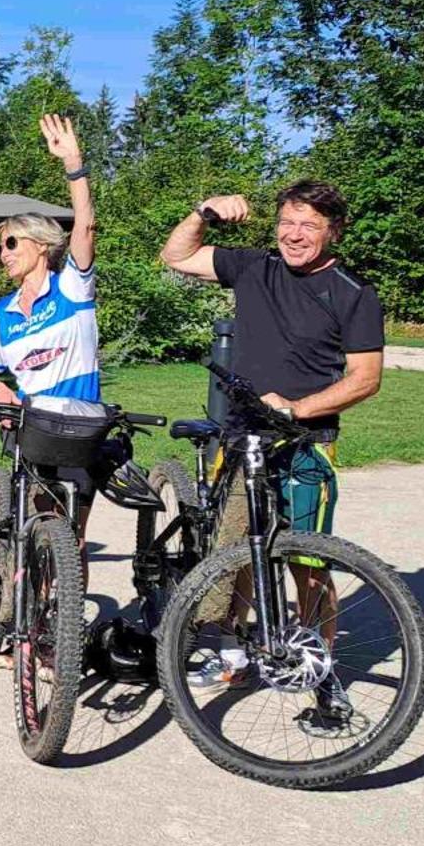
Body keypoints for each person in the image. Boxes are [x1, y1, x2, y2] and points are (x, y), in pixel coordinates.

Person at [159, 177, 383, 720]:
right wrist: (203, 209)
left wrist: (297, 409)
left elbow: (366, 377)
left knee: (309, 562)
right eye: (287, 222)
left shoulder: (353, 292)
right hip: (241, 436)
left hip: (306, 442)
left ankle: (321, 673)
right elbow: (176, 256)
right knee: (233, 545)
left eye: (309, 225)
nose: (295, 234)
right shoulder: (254, 266)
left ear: (333, 231)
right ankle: (234, 652)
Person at [0, 115, 110, 585]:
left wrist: (74, 164)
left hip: (77, 427)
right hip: (31, 426)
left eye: (11, 242)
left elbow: (86, 227)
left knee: (72, 537)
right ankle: (22, 618)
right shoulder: (1, 312)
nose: (3, 253)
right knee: (32, 523)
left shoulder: (71, 289)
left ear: (42, 244)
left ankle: (62, 627)